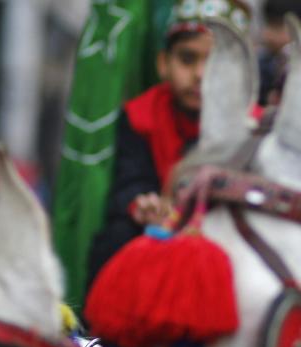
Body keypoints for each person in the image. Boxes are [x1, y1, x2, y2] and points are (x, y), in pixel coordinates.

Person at [86, 0, 250, 290]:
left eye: (214, 63)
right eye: (188, 59)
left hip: (225, 241)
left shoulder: (253, 128)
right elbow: (128, 184)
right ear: (164, 63)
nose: (200, 75)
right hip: (157, 232)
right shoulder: (140, 116)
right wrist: (142, 204)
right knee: (115, 239)